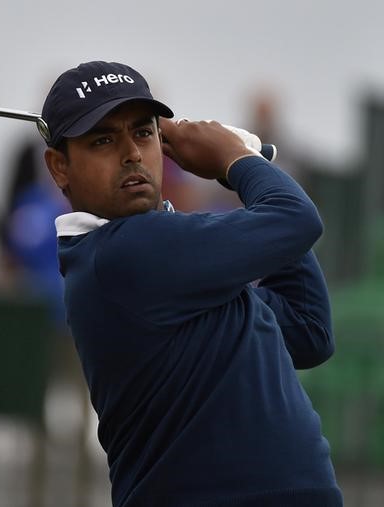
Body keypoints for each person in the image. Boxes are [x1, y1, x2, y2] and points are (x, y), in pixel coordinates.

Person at [39, 61, 342, 506]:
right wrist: (237, 160)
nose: (131, 154)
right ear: (59, 167)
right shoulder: (124, 253)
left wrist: (246, 168)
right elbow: (295, 219)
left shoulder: (173, 258)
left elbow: (308, 330)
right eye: (103, 140)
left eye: (144, 133)